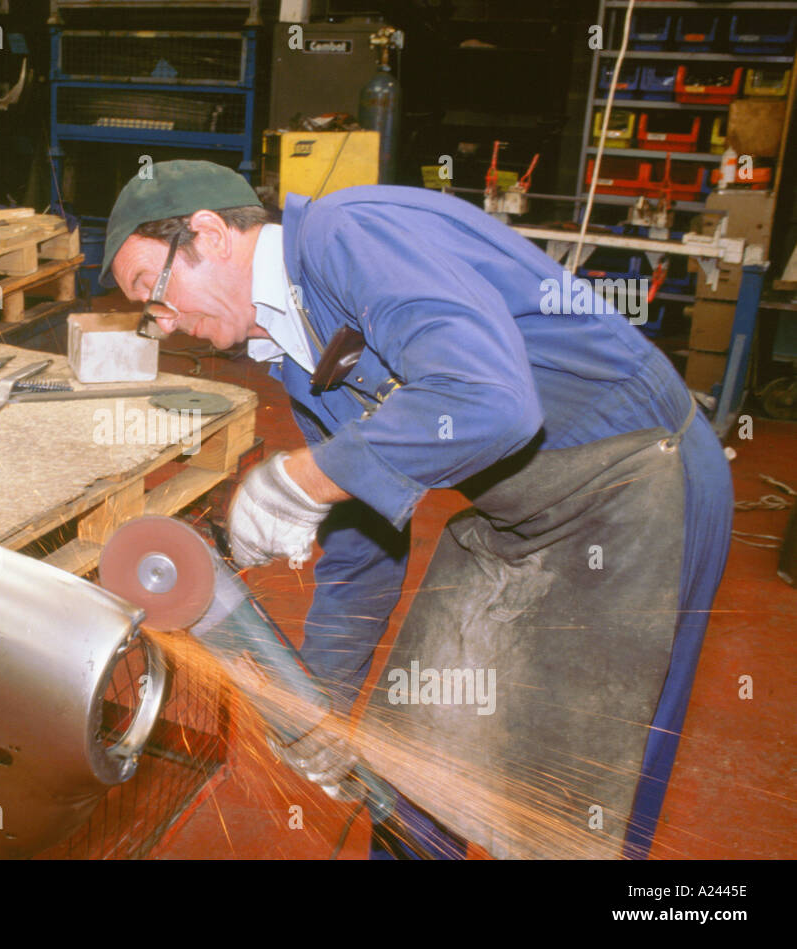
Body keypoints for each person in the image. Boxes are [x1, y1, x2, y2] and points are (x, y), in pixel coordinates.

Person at [100, 159, 733, 859]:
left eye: (153, 292)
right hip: (517, 508)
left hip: (640, 483)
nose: (167, 323)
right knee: (410, 761)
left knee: (586, 782)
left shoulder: (349, 235)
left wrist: (309, 475)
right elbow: (361, 538)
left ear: (211, 234)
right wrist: (317, 705)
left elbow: (491, 399)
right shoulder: (295, 347)